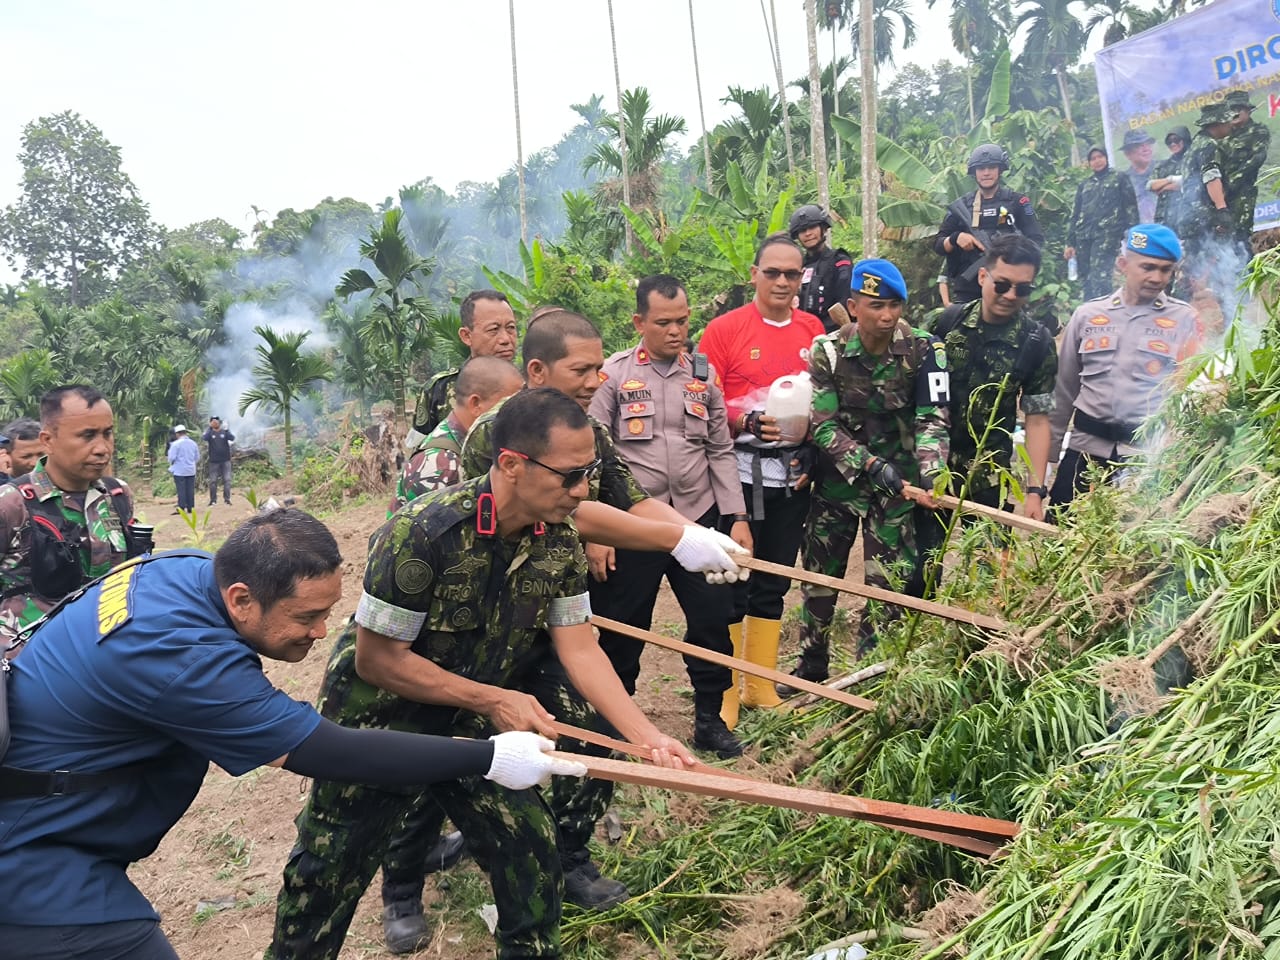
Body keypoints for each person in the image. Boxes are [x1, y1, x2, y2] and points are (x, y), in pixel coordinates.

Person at [0, 509, 585, 960]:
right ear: (241, 599)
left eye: (328, 611)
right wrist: (488, 756)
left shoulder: (179, 571)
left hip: (57, 815)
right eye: (306, 617)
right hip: (33, 855)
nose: (322, 632)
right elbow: (329, 750)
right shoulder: (182, 660)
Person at [268, 389, 699, 960]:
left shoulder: (561, 543)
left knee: (530, 847)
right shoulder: (422, 533)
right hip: (381, 724)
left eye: (588, 475)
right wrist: (496, 699)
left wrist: (647, 737)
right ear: (512, 465)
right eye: (569, 477)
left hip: (475, 724)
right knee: (326, 878)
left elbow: (580, 649)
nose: (581, 493)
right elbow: (378, 660)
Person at [459, 309, 747, 911]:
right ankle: (415, 873)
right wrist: (676, 540)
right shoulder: (499, 431)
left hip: (552, 608)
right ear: (538, 371)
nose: (596, 380)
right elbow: (570, 512)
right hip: (477, 616)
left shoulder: (590, 431)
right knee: (447, 744)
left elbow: (633, 500)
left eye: (598, 366)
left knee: (593, 724)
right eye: (582, 369)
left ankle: (566, 855)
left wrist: (698, 535)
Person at [378, 354, 524, 953]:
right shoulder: (440, 466)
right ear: (474, 407)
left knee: (462, 761)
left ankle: (450, 845)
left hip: (473, 641)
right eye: (509, 409)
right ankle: (401, 891)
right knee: (419, 770)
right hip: (426, 644)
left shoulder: (489, 457)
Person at [589, 274, 750, 757]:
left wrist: (736, 517)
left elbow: (721, 450)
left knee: (711, 623)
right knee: (623, 625)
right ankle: (617, 727)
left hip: (696, 520)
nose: (676, 331)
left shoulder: (703, 375)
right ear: (639, 321)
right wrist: (595, 533)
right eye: (663, 322)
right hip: (634, 527)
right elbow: (592, 454)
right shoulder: (613, 377)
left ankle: (709, 720)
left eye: (682, 320)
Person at [777, 259, 950, 691]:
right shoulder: (828, 351)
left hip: (899, 489)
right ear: (854, 306)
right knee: (820, 577)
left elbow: (933, 417)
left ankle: (869, 675)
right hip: (840, 481)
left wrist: (932, 476)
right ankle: (811, 664)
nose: (887, 316)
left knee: (885, 584)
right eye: (876, 306)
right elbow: (824, 425)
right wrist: (873, 468)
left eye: (895, 305)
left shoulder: (926, 349)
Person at [698, 233, 826, 710]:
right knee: (734, 579)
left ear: (802, 278)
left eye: (791, 274)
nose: (781, 281)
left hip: (793, 475)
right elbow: (703, 402)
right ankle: (728, 692)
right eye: (771, 272)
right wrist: (745, 419)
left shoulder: (813, 331)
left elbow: (828, 399)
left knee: (774, 580)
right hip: (737, 476)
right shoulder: (724, 331)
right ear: (753, 274)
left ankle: (761, 686)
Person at [916, 235, 1055, 584]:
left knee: (987, 582)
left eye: (1022, 289)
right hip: (931, 468)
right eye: (1003, 284)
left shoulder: (1036, 343)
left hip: (990, 476)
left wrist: (1036, 491)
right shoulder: (943, 323)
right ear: (983, 277)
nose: (1011, 295)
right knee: (919, 574)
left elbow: (1037, 420)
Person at [1049, 224, 1202, 509]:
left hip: (1145, 460)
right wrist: (1048, 459)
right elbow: (1064, 390)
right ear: (1123, 265)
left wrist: (1173, 458)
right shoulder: (1088, 315)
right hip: (1085, 451)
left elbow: (1190, 397)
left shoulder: (1185, 321)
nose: (1157, 278)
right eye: (1148, 267)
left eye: (1166, 270)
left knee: (1130, 550)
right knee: (1059, 537)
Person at [0, 385, 138, 648]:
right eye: (87, 436)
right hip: (30, 658)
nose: (102, 448)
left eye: (107, 433)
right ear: (48, 441)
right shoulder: (12, 503)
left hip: (106, 647)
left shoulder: (117, 494)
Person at [393, 356, 525, 514]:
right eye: (509, 405)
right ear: (476, 404)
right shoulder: (438, 466)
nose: (520, 414)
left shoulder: (477, 445)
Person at [933, 143, 1043, 305]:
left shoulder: (1018, 202)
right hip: (968, 290)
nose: (986, 173)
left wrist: (1013, 251)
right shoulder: (961, 206)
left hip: (1006, 289)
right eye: (981, 168)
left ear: (1000, 169)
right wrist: (956, 238)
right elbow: (938, 244)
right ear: (974, 173)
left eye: (991, 167)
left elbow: (1036, 240)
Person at [407, 290, 519, 446]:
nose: (506, 339)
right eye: (493, 329)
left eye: (511, 328)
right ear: (467, 336)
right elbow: (419, 452)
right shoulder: (439, 390)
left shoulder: (527, 386)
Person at [1065, 146, 1139, 301]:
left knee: (1101, 275)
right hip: (1083, 236)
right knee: (1086, 277)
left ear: (1106, 158)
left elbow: (1131, 206)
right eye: (1093, 158)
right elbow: (1076, 213)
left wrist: (1133, 234)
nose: (1097, 161)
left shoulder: (1119, 178)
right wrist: (1070, 242)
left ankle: (1105, 312)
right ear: (1089, 163)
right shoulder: (1085, 184)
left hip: (1107, 235)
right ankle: (1089, 312)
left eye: (1100, 157)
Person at [1179, 104, 1239, 292]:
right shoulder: (1209, 146)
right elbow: (1211, 176)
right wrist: (1221, 209)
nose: (1231, 124)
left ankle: (1175, 310)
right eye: (1227, 120)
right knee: (1223, 266)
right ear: (1217, 123)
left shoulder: (1195, 145)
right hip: (1206, 218)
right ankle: (1232, 315)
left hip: (1191, 217)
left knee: (1191, 270)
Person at [789, 204, 854, 333]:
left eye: (812, 227)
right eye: (802, 230)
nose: (808, 233)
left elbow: (845, 302)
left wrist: (820, 332)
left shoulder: (839, 261)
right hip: (800, 333)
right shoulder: (796, 267)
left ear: (823, 228)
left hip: (835, 335)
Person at [1224, 89, 1271, 256]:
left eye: (1239, 108)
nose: (1235, 113)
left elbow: (1258, 158)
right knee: (1225, 240)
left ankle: (1248, 276)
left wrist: (1232, 181)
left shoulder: (1258, 130)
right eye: (1231, 109)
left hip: (1244, 194)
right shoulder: (1223, 136)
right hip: (1222, 197)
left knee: (1241, 238)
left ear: (1248, 111)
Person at [1150, 126, 1192, 229]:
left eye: (1176, 140)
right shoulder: (1163, 166)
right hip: (1165, 218)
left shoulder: (1193, 160)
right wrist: (1170, 179)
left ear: (1185, 139)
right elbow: (1151, 185)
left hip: (1189, 216)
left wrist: (1164, 186)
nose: (1173, 144)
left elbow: (1190, 183)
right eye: (1169, 142)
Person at [1120, 129, 1158, 223]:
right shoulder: (1123, 180)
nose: (1146, 149)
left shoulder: (1165, 169)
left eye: (1148, 144)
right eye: (1139, 146)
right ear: (1127, 153)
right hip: (1139, 233)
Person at [202, 415, 235, 505]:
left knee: (227, 480)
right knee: (213, 481)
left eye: (216, 421)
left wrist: (227, 429)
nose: (215, 422)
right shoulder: (209, 433)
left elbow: (232, 438)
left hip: (225, 460)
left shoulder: (224, 432)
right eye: (213, 421)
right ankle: (213, 500)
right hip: (214, 461)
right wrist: (210, 427)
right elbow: (204, 438)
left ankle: (227, 499)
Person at [166, 424, 199, 513]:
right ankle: (190, 507)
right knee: (190, 489)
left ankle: (181, 507)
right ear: (185, 433)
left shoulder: (175, 444)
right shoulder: (193, 443)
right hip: (191, 470)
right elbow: (197, 457)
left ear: (177, 434)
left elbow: (171, 458)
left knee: (181, 490)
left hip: (179, 470)